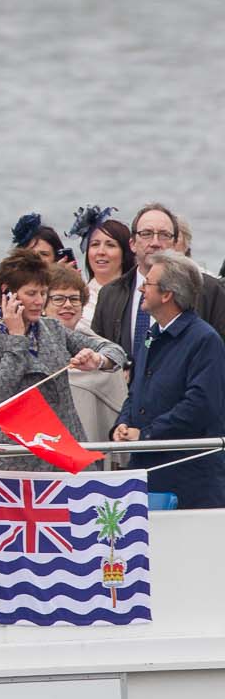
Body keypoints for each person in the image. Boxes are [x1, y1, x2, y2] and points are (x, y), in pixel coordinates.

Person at [0, 249, 125, 510]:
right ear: (7, 292)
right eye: (31, 294)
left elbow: (115, 351)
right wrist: (16, 340)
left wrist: (98, 359)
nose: (40, 301)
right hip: (10, 465)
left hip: (60, 456)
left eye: (43, 293)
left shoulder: (53, 329)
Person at [114, 251, 225, 509]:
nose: (141, 288)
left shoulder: (204, 341)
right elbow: (136, 391)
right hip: (148, 469)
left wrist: (148, 433)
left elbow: (200, 405)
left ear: (167, 294)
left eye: (148, 283)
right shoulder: (151, 335)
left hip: (188, 477)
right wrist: (123, 422)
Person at [90, 201, 225, 360]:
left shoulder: (208, 290)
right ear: (132, 244)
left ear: (175, 244)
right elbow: (98, 349)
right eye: (146, 234)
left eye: (164, 235)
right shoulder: (110, 294)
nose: (155, 243)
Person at [47, 262, 124, 444]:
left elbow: (116, 354)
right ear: (42, 304)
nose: (68, 305)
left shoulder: (91, 340)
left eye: (74, 299)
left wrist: (99, 361)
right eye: (58, 299)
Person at [69, 205, 130, 328]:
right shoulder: (76, 297)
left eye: (110, 245)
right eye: (95, 244)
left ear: (124, 253)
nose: (101, 252)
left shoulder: (138, 294)